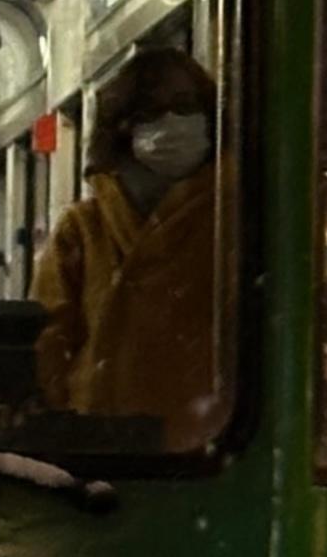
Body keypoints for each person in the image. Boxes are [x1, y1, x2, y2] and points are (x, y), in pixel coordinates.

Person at [33, 48, 221, 443]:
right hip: (106, 440)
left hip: (205, 438)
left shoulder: (232, 222)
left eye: (185, 107)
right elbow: (47, 340)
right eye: (152, 112)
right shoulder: (83, 229)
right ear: (124, 127)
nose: (172, 123)